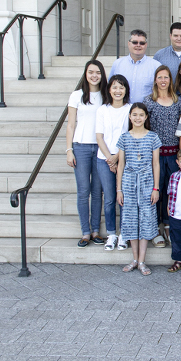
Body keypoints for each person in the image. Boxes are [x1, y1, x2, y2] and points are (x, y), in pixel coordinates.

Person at [66, 60, 109, 248]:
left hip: (100, 147)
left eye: (97, 72)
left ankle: (95, 231)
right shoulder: (77, 95)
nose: (94, 75)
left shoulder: (106, 95)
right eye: (91, 72)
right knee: (83, 191)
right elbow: (70, 124)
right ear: (85, 74)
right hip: (81, 147)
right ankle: (85, 232)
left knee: (97, 191)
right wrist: (69, 150)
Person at [116, 103, 161, 277]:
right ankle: (134, 259)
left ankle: (142, 260)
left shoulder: (153, 137)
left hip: (147, 181)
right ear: (130, 117)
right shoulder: (124, 138)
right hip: (128, 183)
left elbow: (155, 164)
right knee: (130, 220)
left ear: (146, 117)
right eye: (134, 115)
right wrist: (119, 189)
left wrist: (155, 187)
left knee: (145, 219)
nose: (137, 118)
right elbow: (121, 165)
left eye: (141, 115)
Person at [143, 65, 181, 248]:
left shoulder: (178, 100)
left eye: (166, 77)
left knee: (172, 191)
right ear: (155, 80)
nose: (163, 80)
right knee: (156, 191)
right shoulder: (149, 101)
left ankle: (168, 224)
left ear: (170, 80)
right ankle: (155, 228)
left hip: (174, 154)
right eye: (160, 77)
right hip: (155, 155)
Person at [95, 74, 131, 251]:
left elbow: (129, 135)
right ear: (109, 89)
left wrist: (117, 157)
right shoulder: (103, 110)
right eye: (115, 87)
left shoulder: (130, 109)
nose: (118, 90)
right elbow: (99, 137)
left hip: (124, 159)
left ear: (126, 90)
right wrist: (110, 157)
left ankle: (124, 234)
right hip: (104, 159)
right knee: (109, 198)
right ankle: (111, 234)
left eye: (121, 87)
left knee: (123, 197)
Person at [109, 29, 161, 104]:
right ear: (128, 44)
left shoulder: (156, 66)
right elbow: (110, 87)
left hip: (145, 112)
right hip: (122, 111)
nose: (138, 45)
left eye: (142, 43)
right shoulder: (118, 64)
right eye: (135, 42)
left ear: (146, 45)